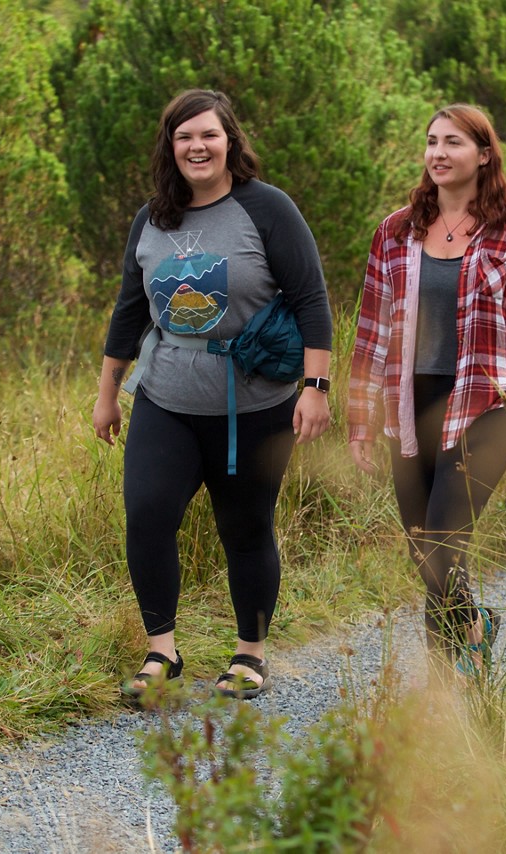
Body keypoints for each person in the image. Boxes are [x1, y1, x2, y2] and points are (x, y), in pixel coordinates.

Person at [93, 89, 334, 702]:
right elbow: (128, 313)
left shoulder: (267, 208)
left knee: (247, 527)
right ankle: (162, 651)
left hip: (255, 406)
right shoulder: (151, 219)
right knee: (147, 515)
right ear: (169, 147)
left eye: (208, 135)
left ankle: (250, 655)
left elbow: (310, 298)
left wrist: (316, 387)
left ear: (230, 140)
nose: (197, 147)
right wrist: (107, 395)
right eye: (183, 137)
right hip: (165, 398)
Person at [347, 104, 506, 677]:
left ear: (484, 154)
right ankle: (472, 627)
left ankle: (445, 690)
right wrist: (359, 420)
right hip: (412, 404)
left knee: (446, 537)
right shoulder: (395, 232)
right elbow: (371, 332)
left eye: (453, 142)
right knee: (423, 546)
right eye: (431, 142)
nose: (439, 153)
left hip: (491, 400)